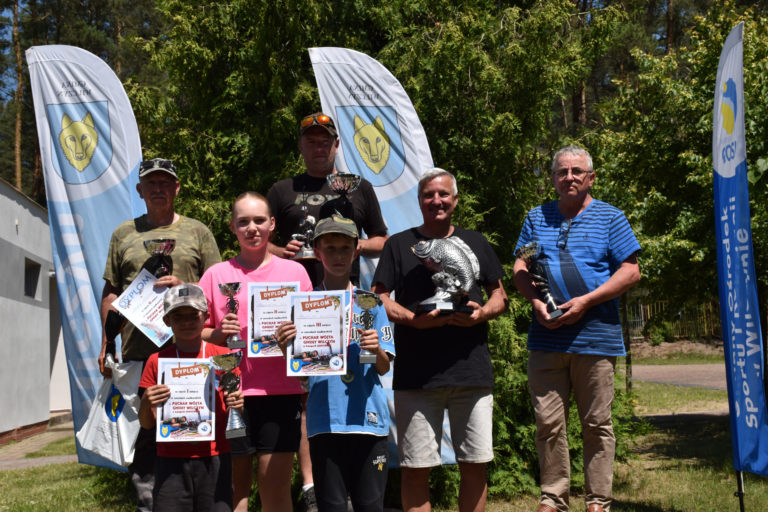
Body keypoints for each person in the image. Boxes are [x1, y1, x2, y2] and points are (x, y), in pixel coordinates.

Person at [512, 146, 641, 512]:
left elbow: (631, 271)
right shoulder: (537, 218)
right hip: (546, 337)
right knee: (548, 424)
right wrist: (535, 303)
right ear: (553, 179)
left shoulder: (611, 218)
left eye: (577, 171)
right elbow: (521, 267)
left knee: (597, 424)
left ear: (591, 178)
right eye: (562, 171)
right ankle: (553, 498)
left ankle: (598, 501)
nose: (569, 177)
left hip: (596, 339)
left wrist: (587, 301)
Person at [372, 168, 508, 512]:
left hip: (471, 372)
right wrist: (414, 322)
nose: (437, 201)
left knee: (475, 465)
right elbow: (379, 298)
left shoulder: (475, 241)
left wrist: (481, 314)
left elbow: (500, 296)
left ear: (455, 200)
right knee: (415, 468)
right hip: (417, 376)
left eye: (444, 194)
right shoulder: (399, 244)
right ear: (419, 201)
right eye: (429, 195)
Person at [99, 157, 221, 511]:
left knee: (196, 431)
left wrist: (185, 287)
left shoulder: (198, 232)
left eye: (165, 182)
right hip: (140, 354)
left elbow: (215, 290)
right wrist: (107, 345)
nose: (158, 188)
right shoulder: (123, 234)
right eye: (151, 183)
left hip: (191, 353)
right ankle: (148, 502)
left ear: (177, 188)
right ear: (139, 190)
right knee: (146, 439)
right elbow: (111, 294)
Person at [197, 192, 312, 512]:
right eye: (243, 221)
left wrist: (295, 337)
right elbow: (196, 331)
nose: (252, 228)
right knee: (234, 493)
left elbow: (313, 332)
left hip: (280, 392)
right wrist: (217, 334)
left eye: (259, 220)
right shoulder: (216, 275)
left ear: (272, 225)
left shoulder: (295, 274)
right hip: (228, 394)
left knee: (274, 489)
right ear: (232, 227)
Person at [275, 215, 395, 512]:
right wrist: (283, 349)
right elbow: (303, 378)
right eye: (330, 248)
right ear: (317, 253)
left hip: (369, 424)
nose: (338, 255)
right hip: (324, 423)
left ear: (357, 251)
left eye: (345, 248)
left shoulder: (373, 303)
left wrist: (376, 349)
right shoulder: (302, 305)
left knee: (371, 505)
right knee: (332, 506)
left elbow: (384, 367)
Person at [139, 283, 243, 512]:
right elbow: (147, 423)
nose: (186, 322)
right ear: (167, 321)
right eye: (178, 316)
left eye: (193, 316)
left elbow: (237, 418)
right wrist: (147, 402)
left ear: (205, 316)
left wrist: (239, 405)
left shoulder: (224, 357)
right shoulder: (156, 361)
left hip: (215, 456)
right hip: (170, 460)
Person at [267, 112, 388, 286]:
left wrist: (355, 244)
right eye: (311, 142)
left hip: (344, 289)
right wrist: (281, 252)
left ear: (336, 144)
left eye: (325, 142)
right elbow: (259, 242)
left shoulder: (360, 187)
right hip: (294, 290)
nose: (319, 148)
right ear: (300, 146)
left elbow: (383, 242)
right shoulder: (281, 190)